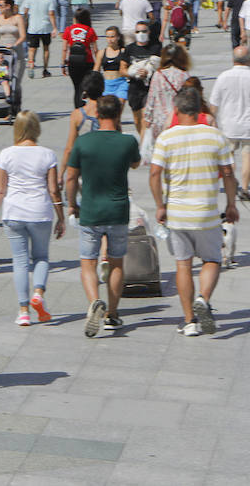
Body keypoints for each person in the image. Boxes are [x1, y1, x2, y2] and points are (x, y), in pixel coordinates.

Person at [148, 88, 239, 336]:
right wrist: (231, 204)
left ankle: (189, 321)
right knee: (212, 260)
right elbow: (229, 173)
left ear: (176, 110)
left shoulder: (166, 138)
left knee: (183, 265)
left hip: (177, 213)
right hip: (206, 213)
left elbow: (154, 174)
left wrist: (159, 205)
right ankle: (204, 298)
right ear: (201, 109)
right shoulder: (215, 136)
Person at [65, 94, 142, 336]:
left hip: (91, 209)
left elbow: (70, 177)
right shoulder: (128, 141)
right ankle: (113, 313)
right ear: (119, 116)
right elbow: (136, 164)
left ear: (97, 114)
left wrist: (71, 204)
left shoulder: (83, 143)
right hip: (118, 210)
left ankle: (94, 302)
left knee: (88, 262)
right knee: (116, 262)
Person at [0, 112, 65, 327]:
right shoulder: (48, 155)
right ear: (36, 129)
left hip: (14, 213)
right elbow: (53, 190)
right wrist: (61, 217)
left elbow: (0, 189)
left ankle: (23, 311)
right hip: (40, 212)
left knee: (19, 261)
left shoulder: (6, 154)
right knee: (41, 257)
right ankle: (38, 292)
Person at [208, 46, 250, 203]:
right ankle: (244, 188)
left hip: (228, 124)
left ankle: (231, 183)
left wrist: (212, 119)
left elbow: (214, 102)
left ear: (233, 59)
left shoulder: (223, 77)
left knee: (228, 157)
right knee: (247, 155)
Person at [141, 44, 191, 158]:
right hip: (178, 119)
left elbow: (151, 97)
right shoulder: (185, 75)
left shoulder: (158, 75)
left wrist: (147, 117)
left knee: (161, 153)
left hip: (160, 120)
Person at [122, 20, 162, 140]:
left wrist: (149, 71)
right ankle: (144, 139)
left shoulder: (156, 47)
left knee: (146, 117)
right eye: (138, 31)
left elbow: (162, 67)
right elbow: (122, 69)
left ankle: (143, 146)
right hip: (134, 88)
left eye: (144, 31)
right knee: (137, 119)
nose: (141, 33)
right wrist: (133, 73)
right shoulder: (130, 48)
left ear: (149, 32)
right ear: (134, 33)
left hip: (150, 88)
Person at [0, 0, 27, 91]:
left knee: (16, 80)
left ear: (8, 6)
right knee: (4, 77)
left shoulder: (17, 18)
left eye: (1, 6)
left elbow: (23, 36)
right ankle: (7, 95)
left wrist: (14, 45)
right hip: (3, 53)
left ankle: (16, 100)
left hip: (16, 52)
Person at [62, 7, 98, 109]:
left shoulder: (68, 29)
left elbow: (64, 48)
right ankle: (87, 107)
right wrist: (98, 63)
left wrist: (63, 64)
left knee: (77, 88)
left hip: (73, 62)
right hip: (87, 61)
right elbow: (95, 49)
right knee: (86, 87)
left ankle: (77, 109)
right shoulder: (90, 30)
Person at [21, 0, 58, 78]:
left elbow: (25, 11)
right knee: (46, 49)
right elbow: (51, 14)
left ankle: (31, 64)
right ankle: (45, 70)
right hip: (45, 27)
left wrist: (24, 22)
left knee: (32, 49)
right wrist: (54, 28)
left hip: (33, 27)